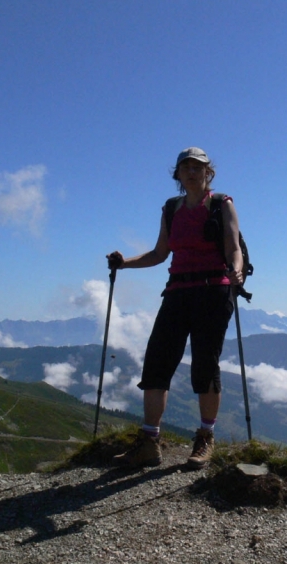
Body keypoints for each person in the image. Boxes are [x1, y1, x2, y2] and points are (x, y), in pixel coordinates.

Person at [106, 147, 244, 470]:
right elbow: (159, 254)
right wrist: (124, 263)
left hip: (213, 291)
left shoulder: (221, 204)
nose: (192, 172)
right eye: (186, 167)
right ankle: (149, 443)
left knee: (205, 365)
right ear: (178, 174)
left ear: (208, 172)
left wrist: (236, 270)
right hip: (177, 292)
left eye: (198, 167)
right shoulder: (171, 209)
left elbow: (233, 248)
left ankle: (205, 437)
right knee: (157, 363)